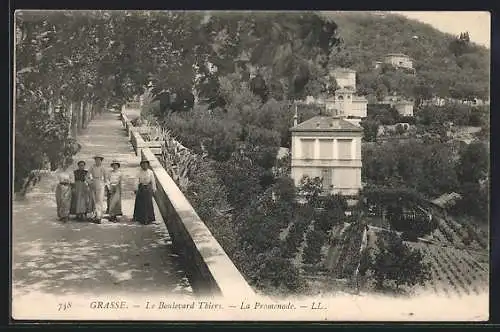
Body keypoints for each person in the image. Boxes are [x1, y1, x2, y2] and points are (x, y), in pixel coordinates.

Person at [133, 157, 156, 225]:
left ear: (148, 165)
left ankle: (149, 218)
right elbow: (136, 180)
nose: (144, 166)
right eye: (143, 164)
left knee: (148, 203)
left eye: (146, 164)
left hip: (148, 188)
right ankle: (140, 218)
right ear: (141, 165)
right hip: (141, 188)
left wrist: (154, 189)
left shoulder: (150, 172)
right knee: (141, 203)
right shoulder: (139, 172)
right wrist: (135, 188)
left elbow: (153, 181)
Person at [88, 155, 107, 224]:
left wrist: (105, 185)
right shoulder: (92, 167)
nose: (97, 161)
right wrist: (90, 182)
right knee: (94, 199)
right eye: (96, 160)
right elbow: (87, 176)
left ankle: (99, 216)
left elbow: (105, 178)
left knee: (99, 200)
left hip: (100, 183)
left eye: (99, 160)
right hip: (94, 182)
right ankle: (94, 215)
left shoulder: (103, 168)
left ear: (101, 161)